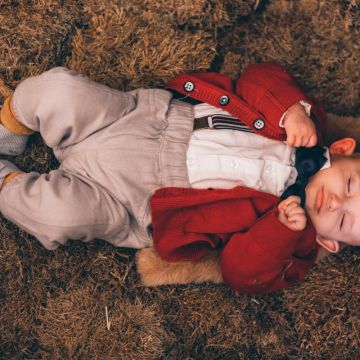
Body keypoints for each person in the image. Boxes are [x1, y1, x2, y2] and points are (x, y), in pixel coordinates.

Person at [0, 62, 358, 295]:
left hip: (134, 201)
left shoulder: (294, 248)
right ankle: (9, 128)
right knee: (59, 92)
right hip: (143, 120)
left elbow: (242, 274)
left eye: (343, 219)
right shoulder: (308, 123)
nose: (336, 202)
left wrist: (279, 231)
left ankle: (5, 182)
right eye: (351, 186)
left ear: (329, 241)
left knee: (60, 216)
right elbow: (259, 77)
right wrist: (291, 110)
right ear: (342, 149)